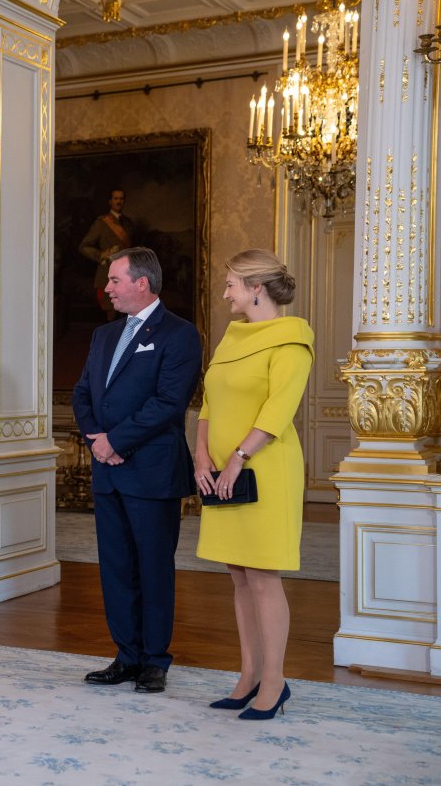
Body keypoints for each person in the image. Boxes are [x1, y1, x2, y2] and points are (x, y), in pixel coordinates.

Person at [72, 247, 201, 693]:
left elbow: (168, 403)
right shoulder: (104, 335)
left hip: (151, 471)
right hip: (108, 470)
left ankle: (154, 661)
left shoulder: (180, 334)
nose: (106, 289)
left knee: (152, 568)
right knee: (115, 568)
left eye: (114, 280)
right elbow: (83, 393)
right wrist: (96, 440)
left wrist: (116, 440)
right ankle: (126, 655)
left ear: (141, 282)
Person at [194, 249, 314, 720]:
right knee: (237, 574)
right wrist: (202, 454)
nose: (225, 292)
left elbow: (277, 413)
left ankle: (274, 681)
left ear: (256, 288)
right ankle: (247, 674)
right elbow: (208, 402)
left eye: (230, 285)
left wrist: (238, 459)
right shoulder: (232, 336)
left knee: (263, 577)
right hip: (221, 468)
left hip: (263, 469)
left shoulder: (291, 340)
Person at [79, 188, 134, 319]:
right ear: (110, 202)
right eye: (116, 198)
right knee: (111, 316)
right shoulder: (101, 223)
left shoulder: (128, 223)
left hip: (127, 275)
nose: (119, 201)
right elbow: (83, 246)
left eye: (121, 198)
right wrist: (101, 255)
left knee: (126, 316)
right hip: (108, 275)